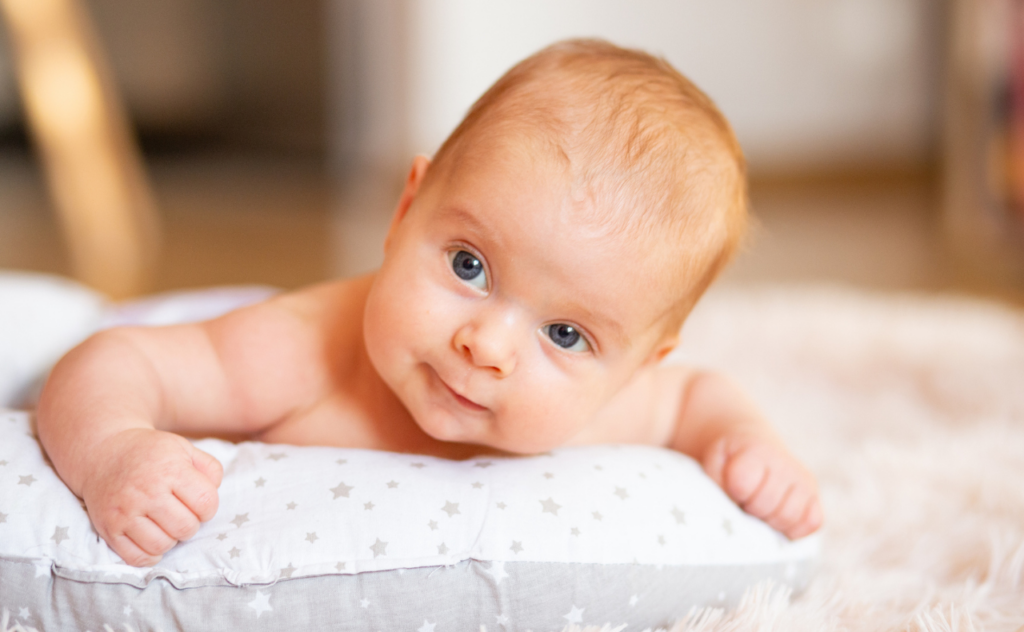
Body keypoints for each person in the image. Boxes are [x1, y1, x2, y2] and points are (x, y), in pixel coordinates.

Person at [36, 39, 822, 568]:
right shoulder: (303, 352)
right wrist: (114, 452)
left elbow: (697, 397)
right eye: (471, 264)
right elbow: (117, 358)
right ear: (405, 210)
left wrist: (744, 441)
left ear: (635, 366)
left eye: (564, 333)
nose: (488, 345)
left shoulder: (614, 404)